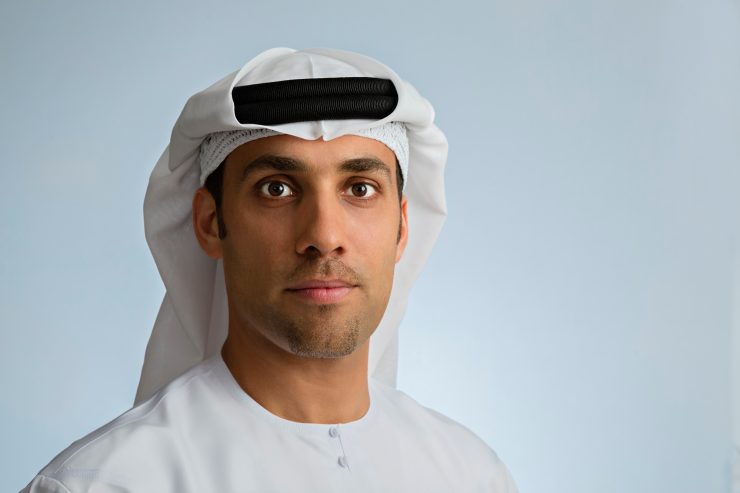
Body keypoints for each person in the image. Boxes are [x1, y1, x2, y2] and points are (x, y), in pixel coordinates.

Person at [22, 47, 517, 493]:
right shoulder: (106, 483)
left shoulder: (472, 476)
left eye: (360, 189)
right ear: (210, 223)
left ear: (402, 227)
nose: (324, 235)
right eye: (276, 188)